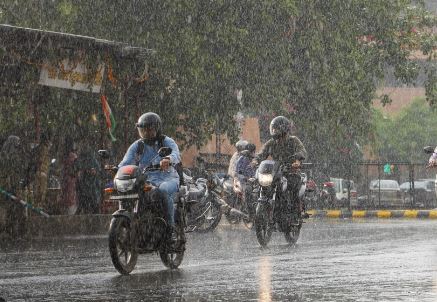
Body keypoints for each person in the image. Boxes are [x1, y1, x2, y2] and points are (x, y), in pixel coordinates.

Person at [118, 112, 181, 238]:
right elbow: (125, 163)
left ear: (157, 129)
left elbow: (176, 154)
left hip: (168, 178)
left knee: (162, 191)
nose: (146, 133)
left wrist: (168, 159)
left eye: (149, 129)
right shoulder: (137, 145)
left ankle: (170, 228)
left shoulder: (166, 141)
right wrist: (118, 170)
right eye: (143, 130)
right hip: (146, 180)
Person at [252, 116, 307, 223]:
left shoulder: (293, 140)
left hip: (291, 171)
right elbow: (262, 153)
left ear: (284, 128)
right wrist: (256, 160)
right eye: (273, 128)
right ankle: (262, 213)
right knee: (261, 185)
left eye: (276, 128)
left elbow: (302, 151)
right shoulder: (271, 143)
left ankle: (295, 214)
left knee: (293, 185)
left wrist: (297, 160)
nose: (274, 131)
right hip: (276, 171)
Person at [0, 135, 27, 239]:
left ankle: (9, 231)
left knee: (8, 209)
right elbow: (13, 175)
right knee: (14, 210)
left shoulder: (3, 155)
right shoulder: (12, 157)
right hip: (9, 188)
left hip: (6, 188)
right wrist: (16, 190)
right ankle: (13, 232)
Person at [24, 131, 52, 212]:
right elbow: (40, 160)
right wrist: (39, 170)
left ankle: (36, 207)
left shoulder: (37, 148)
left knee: (36, 192)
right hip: (41, 172)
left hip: (37, 172)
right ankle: (38, 207)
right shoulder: (44, 148)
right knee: (41, 192)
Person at [76, 145, 102, 214]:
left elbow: (95, 171)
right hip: (87, 190)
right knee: (88, 208)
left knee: (90, 208)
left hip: (90, 190)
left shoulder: (90, 160)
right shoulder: (85, 160)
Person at [60, 137, 79, 215]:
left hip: (65, 181)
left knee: (67, 200)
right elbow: (76, 170)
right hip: (71, 183)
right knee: (71, 202)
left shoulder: (64, 156)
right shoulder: (74, 156)